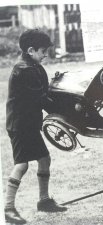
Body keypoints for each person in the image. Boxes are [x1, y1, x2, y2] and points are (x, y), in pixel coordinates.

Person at [4, 29, 67, 224]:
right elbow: (40, 99)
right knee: (22, 165)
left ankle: (44, 201)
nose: (45, 54)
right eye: (43, 51)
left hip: (30, 124)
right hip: (20, 125)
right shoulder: (24, 70)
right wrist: (64, 110)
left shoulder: (34, 66)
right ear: (31, 50)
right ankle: (7, 208)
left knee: (44, 159)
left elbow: (44, 90)